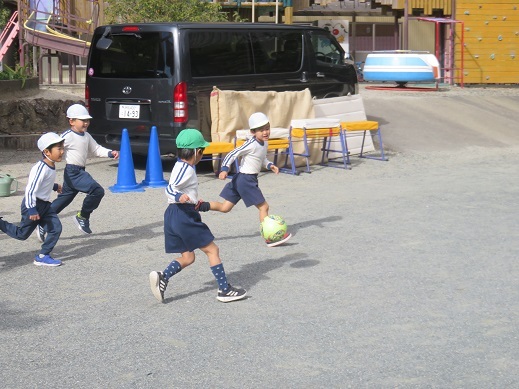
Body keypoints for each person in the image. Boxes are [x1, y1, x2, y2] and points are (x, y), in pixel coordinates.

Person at [149, 129, 247, 303]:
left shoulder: (180, 165)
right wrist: (180, 196)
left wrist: (195, 202)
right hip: (182, 215)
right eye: (202, 151)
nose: (202, 154)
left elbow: (179, 188)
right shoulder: (186, 168)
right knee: (213, 250)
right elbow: (170, 188)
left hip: (174, 215)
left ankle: (162, 277)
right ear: (197, 152)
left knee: (188, 257)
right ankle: (224, 290)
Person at [36, 104, 119, 240]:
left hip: (78, 171)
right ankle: (82, 216)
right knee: (97, 190)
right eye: (82, 120)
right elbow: (51, 146)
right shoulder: (67, 136)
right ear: (71, 121)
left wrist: (110, 153)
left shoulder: (86, 136)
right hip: (73, 172)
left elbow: (96, 149)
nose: (86, 123)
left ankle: (43, 222)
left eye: (87, 120)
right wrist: (47, 162)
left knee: (63, 201)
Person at [209, 112, 291, 247]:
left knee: (225, 207)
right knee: (264, 207)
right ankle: (269, 238)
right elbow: (233, 153)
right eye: (261, 130)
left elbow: (261, 158)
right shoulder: (251, 143)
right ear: (253, 132)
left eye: (267, 128)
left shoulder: (264, 143)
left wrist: (270, 165)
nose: (265, 132)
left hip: (241, 179)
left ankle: (199, 205)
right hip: (246, 180)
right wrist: (224, 168)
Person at [0, 133, 65, 266]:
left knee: (55, 228)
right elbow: (30, 190)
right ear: (46, 151)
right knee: (22, 234)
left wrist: (55, 186)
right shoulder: (40, 168)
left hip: (45, 206)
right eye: (59, 149)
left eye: (62, 148)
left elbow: (42, 184)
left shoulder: (50, 165)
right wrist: (32, 209)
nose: (62, 152)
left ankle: (43, 255)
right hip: (33, 204)